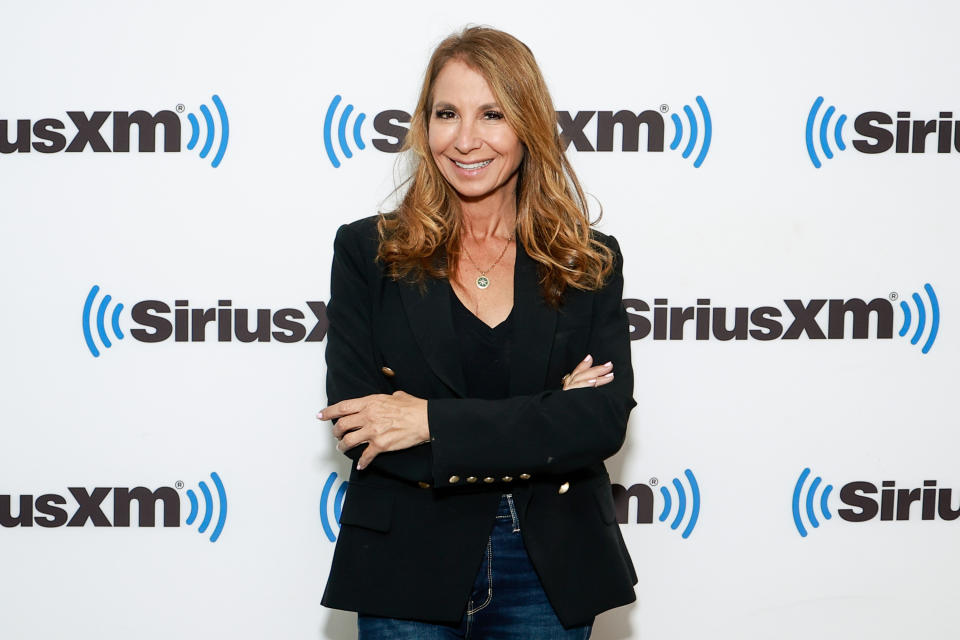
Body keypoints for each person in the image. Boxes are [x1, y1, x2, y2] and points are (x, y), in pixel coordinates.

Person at [317, 26, 637, 639]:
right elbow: (362, 430)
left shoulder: (586, 259)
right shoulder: (367, 252)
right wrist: (543, 419)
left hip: (551, 567)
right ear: (424, 125)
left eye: (492, 114)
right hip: (403, 564)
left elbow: (598, 422)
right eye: (446, 114)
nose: (465, 140)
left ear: (528, 126)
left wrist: (428, 421)